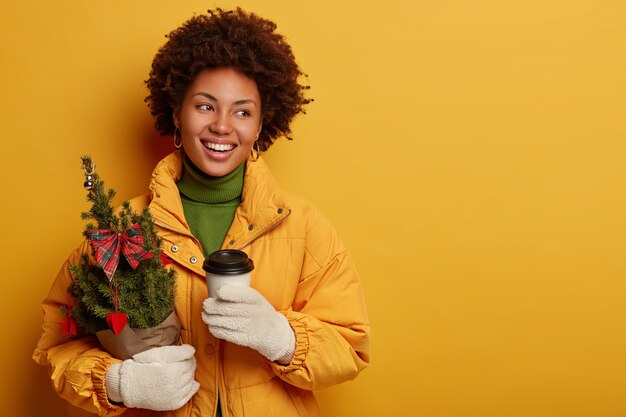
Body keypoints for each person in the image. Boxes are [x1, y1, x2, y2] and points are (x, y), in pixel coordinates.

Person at [33, 8, 370, 417]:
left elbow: (349, 346)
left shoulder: (303, 226)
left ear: (262, 124)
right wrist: (120, 384)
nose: (223, 126)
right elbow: (59, 343)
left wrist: (282, 338)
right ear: (177, 113)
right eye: (206, 106)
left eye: (242, 111)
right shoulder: (118, 232)